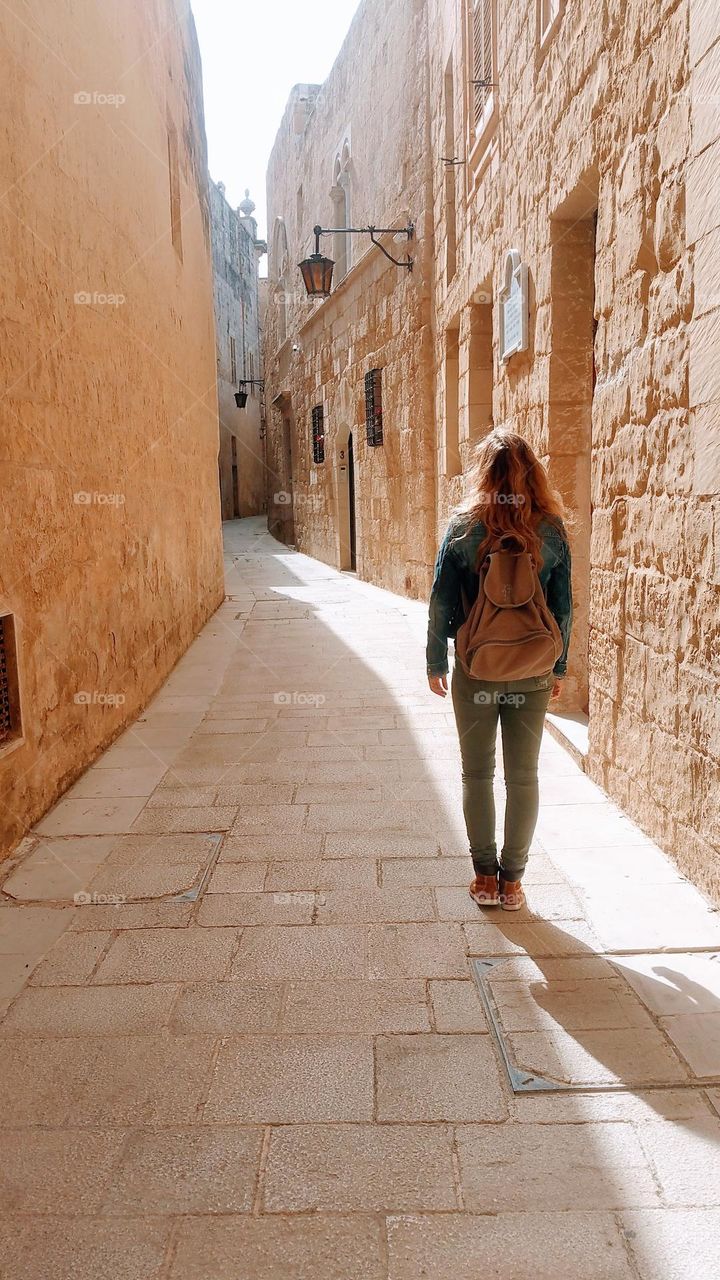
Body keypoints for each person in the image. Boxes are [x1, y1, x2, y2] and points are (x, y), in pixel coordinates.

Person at [426, 427, 573, 912]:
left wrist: (436, 659)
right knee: (524, 776)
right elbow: (563, 607)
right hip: (532, 669)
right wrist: (558, 666)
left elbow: (440, 602)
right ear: (532, 473)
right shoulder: (549, 529)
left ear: (483, 474)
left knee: (477, 774)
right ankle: (513, 883)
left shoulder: (463, 528)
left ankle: (484, 879)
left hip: (477, 668)